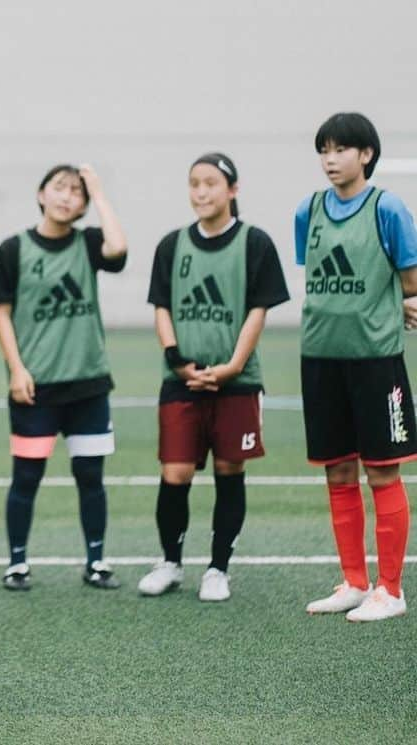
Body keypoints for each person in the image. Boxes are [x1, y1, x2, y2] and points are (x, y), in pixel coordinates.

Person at [138, 154, 289, 602]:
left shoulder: (255, 243)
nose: (201, 192)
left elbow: (257, 311)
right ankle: (170, 562)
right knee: (176, 471)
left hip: (236, 382)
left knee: (229, 468)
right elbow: (161, 306)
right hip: (181, 378)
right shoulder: (171, 245)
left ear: (232, 190)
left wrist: (232, 367)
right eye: (194, 183)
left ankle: (218, 568)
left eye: (210, 183)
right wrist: (177, 360)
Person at [297, 113, 416, 621]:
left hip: (375, 361)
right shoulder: (309, 210)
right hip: (321, 356)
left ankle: (390, 589)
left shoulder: (388, 209)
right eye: (324, 149)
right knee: (338, 470)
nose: (330, 159)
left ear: (366, 154)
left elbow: (411, 281)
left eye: (341, 149)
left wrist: (405, 304)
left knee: (381, 472)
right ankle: (353, 581)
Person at [0, 164, 127, 591]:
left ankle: (97, 561)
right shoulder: (13, 249)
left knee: (90, 477)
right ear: (41, 193)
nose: (67, 197)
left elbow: (118, 248)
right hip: (36, 387)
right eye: (59, 188)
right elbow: (2, 314)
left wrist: (101, 194)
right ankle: (17, 564)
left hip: (88, 384)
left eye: (77, 193)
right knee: (26, 478)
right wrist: (17, 369)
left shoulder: (89, 243)